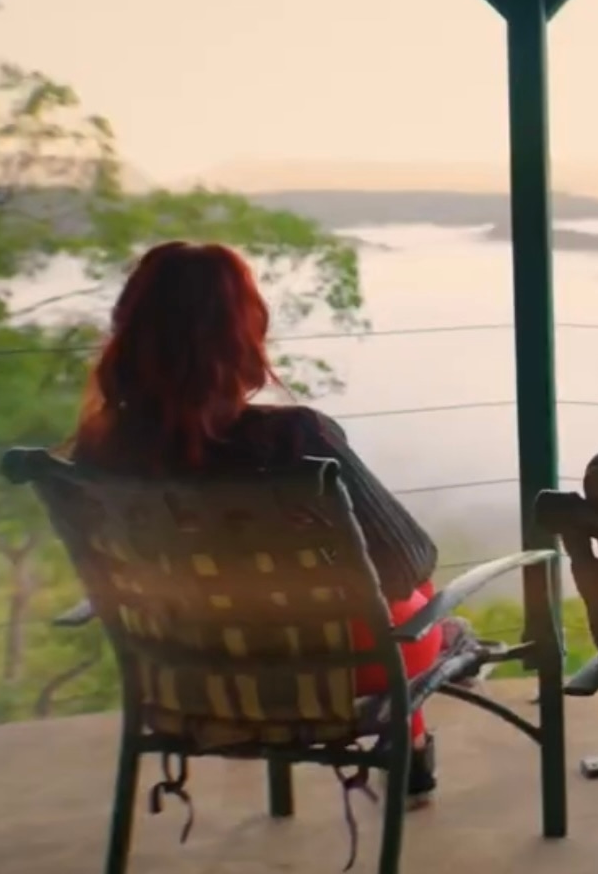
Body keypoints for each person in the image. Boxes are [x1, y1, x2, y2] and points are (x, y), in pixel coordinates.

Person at [69, 241, 457, 809]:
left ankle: (412, 750)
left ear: (128, 330)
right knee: (415, 604)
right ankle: (410, 753)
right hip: (324, 671)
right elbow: (406, 563)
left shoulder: (97, 450)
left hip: (183, 669)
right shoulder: (296, 438)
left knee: (391, 605)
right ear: (241, 336)